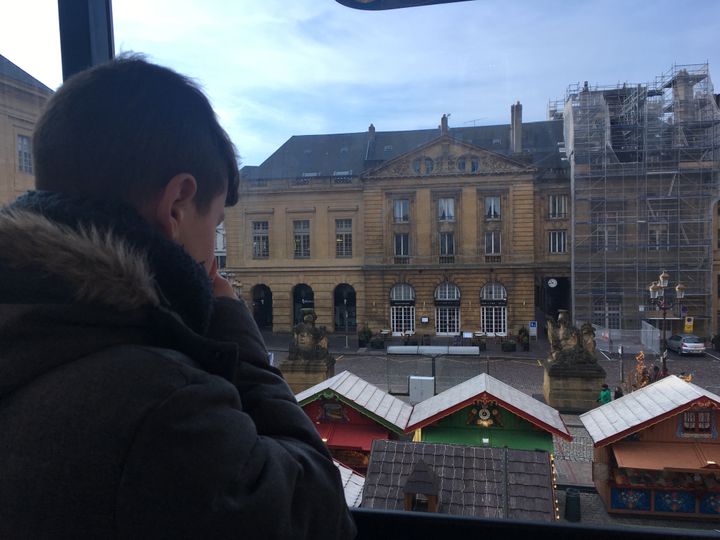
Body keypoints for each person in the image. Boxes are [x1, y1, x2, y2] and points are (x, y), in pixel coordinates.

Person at [0, 56, 355, 539]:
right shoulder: (165, 406)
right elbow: (318, 511)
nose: (214, 245)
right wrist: (233, 326)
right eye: (215, 223)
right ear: (177, 204)